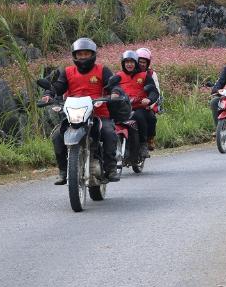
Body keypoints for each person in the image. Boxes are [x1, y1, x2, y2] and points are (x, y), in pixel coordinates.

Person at [42, 37, 120, 185]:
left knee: (109, 133)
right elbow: (58, 86)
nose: (83, 57)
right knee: (57, 136)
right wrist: (48, 94)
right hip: (74, 115)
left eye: (86, 54)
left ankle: (111, 168)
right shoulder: (67, 72)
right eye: (80, 54)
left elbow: (113, 85)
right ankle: (63, 171)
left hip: (98, 113)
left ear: (93, 55)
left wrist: (115, 92)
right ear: (74, 56)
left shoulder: (102, 70)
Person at [107, 50, 160, 161]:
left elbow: (153, 91)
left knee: (139, 116)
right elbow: (109, 88)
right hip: (122, 108)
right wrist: (112, 95)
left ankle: (143, 144)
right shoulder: (118, 76)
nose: (129, 64)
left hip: (139, 107)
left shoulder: (144, 75)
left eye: (132, 62)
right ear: (123, 63)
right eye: (127, 62)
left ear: (136, 63)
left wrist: (149, 99)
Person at [135, 47, 160, 151]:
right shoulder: (130, 72)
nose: (141, 64)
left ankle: (149, 139)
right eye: (139, 61)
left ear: (148, 63)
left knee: (152, 118)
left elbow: (156, 90)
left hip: (147, 102)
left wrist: (150, 103)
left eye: (144, 62)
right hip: (131, 102)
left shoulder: (151, 74)